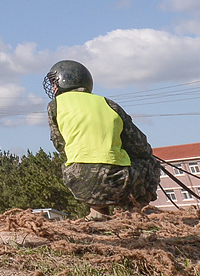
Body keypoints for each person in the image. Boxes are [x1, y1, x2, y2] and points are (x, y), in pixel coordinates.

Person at [44, 60, 161, 220]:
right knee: (151, 162)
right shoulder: (109, 104)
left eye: (54, 83)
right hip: (118, 182)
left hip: (79, 181)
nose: (53, 88)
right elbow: (141, 147)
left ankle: (98, 212)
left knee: (80, 165)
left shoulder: (54, 106)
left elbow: (60, 144)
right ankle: (136, 210)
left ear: (64, 81)